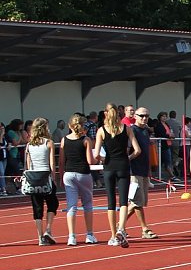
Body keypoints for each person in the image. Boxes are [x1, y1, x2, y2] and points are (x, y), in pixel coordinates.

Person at [94, 103, 142, 247]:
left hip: (109, 167)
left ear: (105, 114)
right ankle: (121, 228)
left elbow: (96, 154)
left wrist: (105, 159)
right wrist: (128, 158)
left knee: (110, 202)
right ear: (119, 113)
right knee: (123, 201)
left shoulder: (101, 130)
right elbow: (137, 150)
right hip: (123, 166)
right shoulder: (126, 129)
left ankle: (113, 235)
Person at [59, 113, 98, 245]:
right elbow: (90, 161)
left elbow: (61, 161)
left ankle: (71, 236)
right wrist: (99, 159)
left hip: (68, 174)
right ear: (83, 126)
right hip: (83, 174)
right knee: (87, 204)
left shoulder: (64, 140)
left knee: (71, 206)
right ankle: (89, 234)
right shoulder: (86, 140)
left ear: (70, 126)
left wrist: (60, 176)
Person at [23, 118, 60, 245]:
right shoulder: (48, 142)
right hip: (46, 176)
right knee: (52, 204)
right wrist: (54, 178)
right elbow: (51, 162)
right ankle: (48, 230)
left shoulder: (29, 145)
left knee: (37, 208)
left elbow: (28, 165)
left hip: (33, 178)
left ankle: (40, 237)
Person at [127, 107, 158, 239]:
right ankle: (145, 229)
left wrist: (149, 170)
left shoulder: (145, 131)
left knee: (140, 201)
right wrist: (127, 160)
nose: (144, 118)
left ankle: (119, 224)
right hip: (134, 171)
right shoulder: (131, 130)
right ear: (135, 116)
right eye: (142, 116)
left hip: (144, 170)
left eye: (147, 116)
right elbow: (128, 149)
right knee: (137, 201)